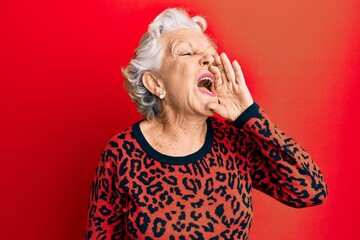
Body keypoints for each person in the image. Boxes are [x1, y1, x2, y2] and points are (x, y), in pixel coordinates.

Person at [85, 8, 328, 240]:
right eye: (188, 53)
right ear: (155, 83)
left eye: (210, 55)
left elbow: (310, 191)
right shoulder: (121, 154)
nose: (208, 61)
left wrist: (249, 115)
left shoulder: (235, 142)